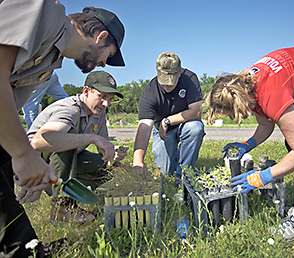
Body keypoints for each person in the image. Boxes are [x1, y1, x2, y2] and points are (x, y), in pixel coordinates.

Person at [0, 0, 126, 256]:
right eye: (108, 55)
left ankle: (23, 250)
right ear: (100, 37)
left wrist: (18, 164)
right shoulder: (41, 9)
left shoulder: (49, 61)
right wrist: (24, 155)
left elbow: (8, 110)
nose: (103, 64)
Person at [205, 46, 294, 242]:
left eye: (232, 114)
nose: (232, 118)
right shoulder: (247, 86)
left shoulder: (271, 93)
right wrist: (246, 145)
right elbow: (266, 125)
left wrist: (262, 177)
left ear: (240, 103)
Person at [27, 71, 128, 225]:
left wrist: (112, 154)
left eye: (110, 99)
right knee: (68, 136)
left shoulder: (98, 113)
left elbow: (103, 147)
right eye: (102, 96)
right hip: (34, 163)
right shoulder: (70, 108)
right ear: (86, 91)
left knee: (111, 168)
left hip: (64, 162)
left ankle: (75, 192)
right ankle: (62, 208)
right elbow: (38, 142)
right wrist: (93, 138)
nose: (106, 104)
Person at [133, 52, 205, 182]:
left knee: (195, 128)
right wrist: (137, 161)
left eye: (170, 82)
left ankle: (184, 174)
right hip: (163, 132)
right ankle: (175, 158)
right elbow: (144, 127)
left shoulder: (190, 79)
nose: (166, 87)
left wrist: (167, 120)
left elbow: (196, 112)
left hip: (185, 124)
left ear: (180, 73)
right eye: (163, 83)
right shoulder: (150, 92)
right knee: (165, 173)